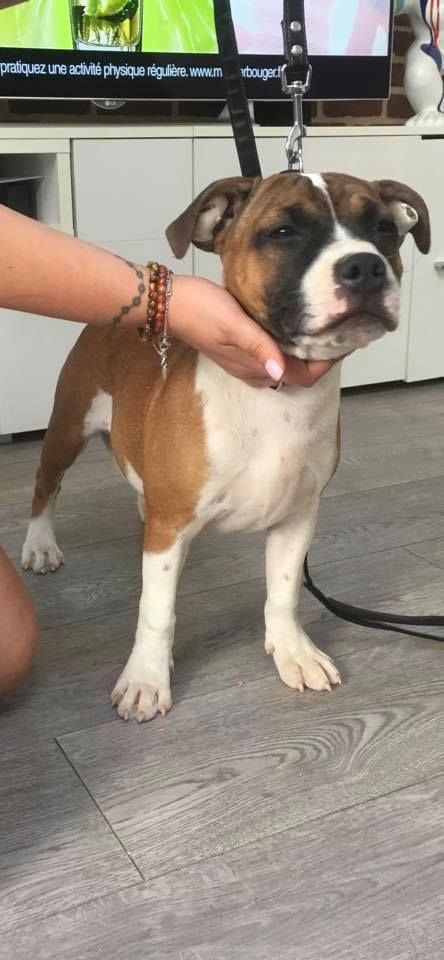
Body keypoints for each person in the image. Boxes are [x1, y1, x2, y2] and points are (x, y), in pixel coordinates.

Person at [0, 204, 338, 695]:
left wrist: (285, 622)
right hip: (119, 362)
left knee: (293, 499)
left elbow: (297, 511)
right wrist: (151, 646)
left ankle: (282, 628)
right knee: (61, 448)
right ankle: (41, 513)